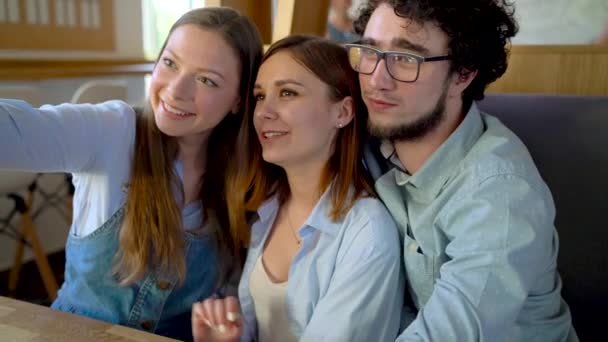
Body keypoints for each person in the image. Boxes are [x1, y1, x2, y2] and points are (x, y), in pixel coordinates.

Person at [0, 7, 263, 341]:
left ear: (239, 101)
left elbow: (232, 300)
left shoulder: (242, 176)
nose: (175, 90)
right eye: (170, 63)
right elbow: (14, 129)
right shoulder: (113, 130)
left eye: (206, 80)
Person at [345, 0, 578, 340]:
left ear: (464, 73)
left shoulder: (501, 193)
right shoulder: (368, 140)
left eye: (405, 59)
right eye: (370, 52)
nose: (376, 80)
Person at [191, 35, 404, 342]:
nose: (264, 112)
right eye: (260, 96)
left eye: (288, 93)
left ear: (343, 113)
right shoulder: (267, 207)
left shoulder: (367, 232)